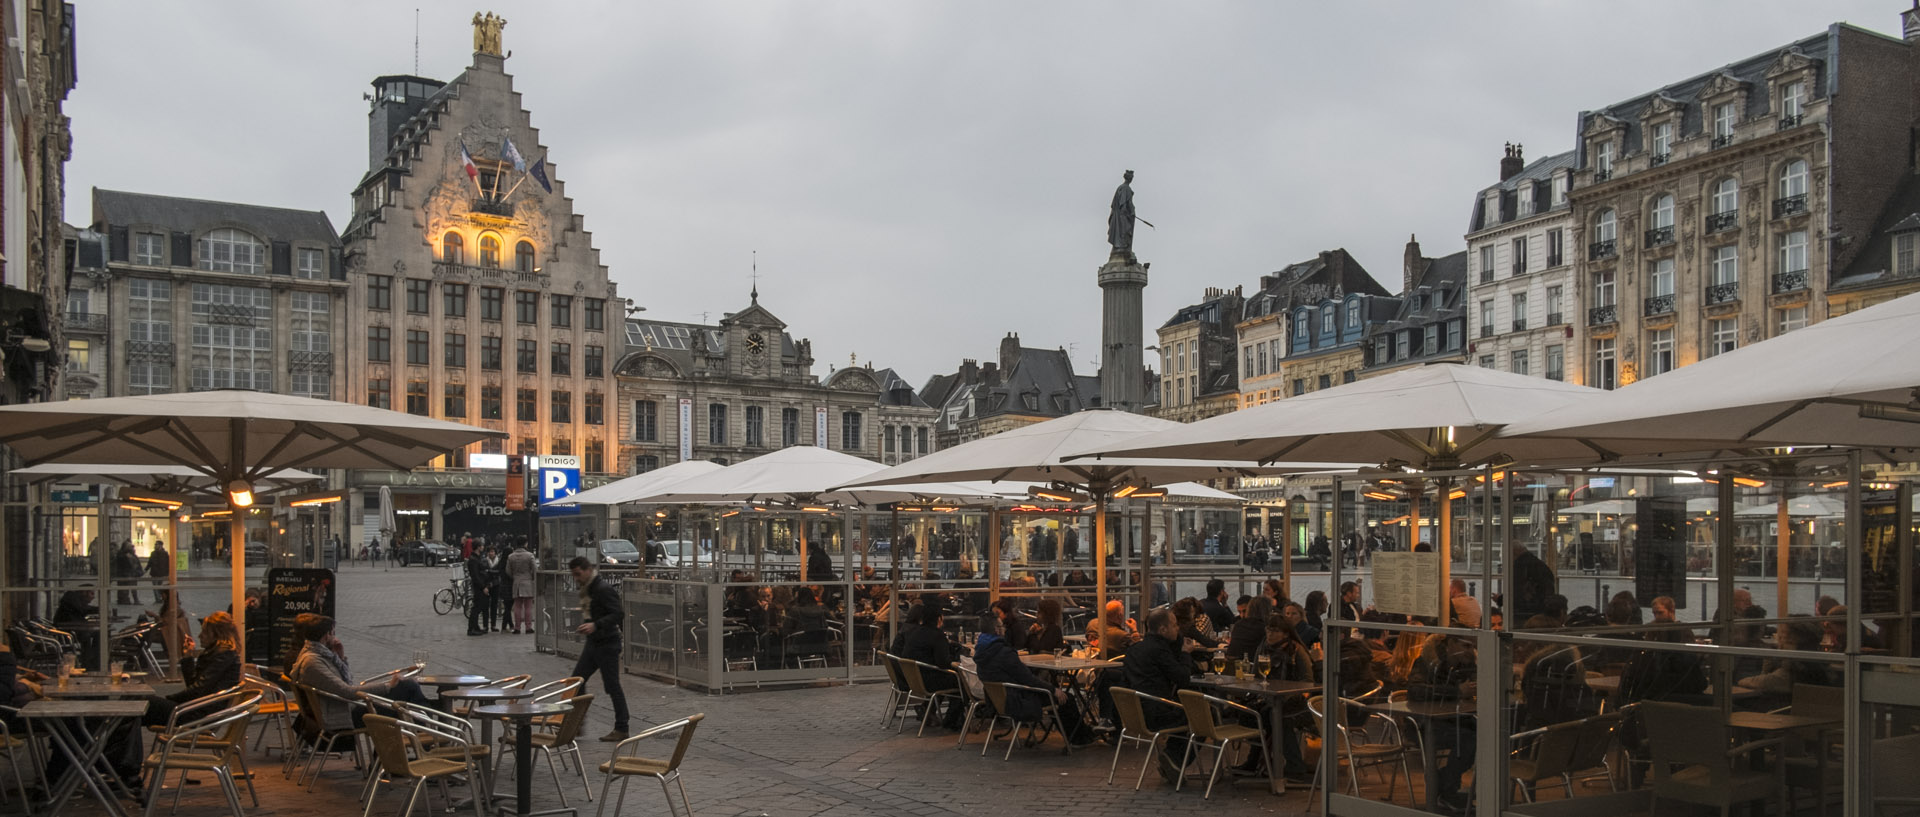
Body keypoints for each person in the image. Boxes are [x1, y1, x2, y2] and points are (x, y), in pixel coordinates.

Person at [287, 614, 430, 731]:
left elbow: (347, 680)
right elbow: (347, 691)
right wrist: (387, 686)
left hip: (343, 707)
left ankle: (428, 733)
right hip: (342, 715)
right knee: (407, 690)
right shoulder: (313, 662)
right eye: (333, 633)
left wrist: (341, 658)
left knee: (407, 694)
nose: (335, 637)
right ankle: (432, 736)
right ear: (326, 636)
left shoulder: (318, 655)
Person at [976, 613, 1086, 744]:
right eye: (1002, 626)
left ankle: (1081, 736)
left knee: (1056, 696)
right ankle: (1079, 739)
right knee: (1065, 698)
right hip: (1018, 700)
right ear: (997, 630)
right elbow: (1028, 679)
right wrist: (1053, 689)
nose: (1004, 628)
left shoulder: (981, 651)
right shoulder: (1004, 653)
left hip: (997, 701)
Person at [1121, 609, 1197, 783]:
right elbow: (1182, 678)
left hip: (1134, 715)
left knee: (1184, 711)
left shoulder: (1134, 650)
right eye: (1174, 625)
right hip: (1156, 714)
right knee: (1203, 716)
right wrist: (1186, 653)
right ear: (1163, 630)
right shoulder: (1159, 651)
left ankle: (1172, 759)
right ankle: (1174, 759)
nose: (1178, 628)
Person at [1408, 633, 1479, 813]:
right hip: (1424, 724)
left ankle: (1442, 785)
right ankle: (1446, 788)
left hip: (1454, 720)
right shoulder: (1426, 662)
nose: (1471, 652)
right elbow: (1416, 690)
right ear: (1451, 644)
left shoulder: (1465, 664)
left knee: (1483, 735)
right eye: (1466, 646)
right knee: (1469, 739)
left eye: (1472, 647)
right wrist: (1455, 692)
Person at [567, 557, 631, 741]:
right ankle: (576, 724)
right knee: (576, 681)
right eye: (574, 575)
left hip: (607, 644)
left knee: (612, 686)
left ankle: (622, 727)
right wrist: (589, 625)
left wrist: (596, 625)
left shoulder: (602, 589)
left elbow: (618, 613)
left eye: (578, 574)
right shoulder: (589, 589)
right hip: (594, 643)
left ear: (588, 570)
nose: (576, 579)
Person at [144, 611, 242, 726]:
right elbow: (195, 685)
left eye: (204, 632)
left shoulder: (223, 654)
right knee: (140, 710)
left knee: (144, 704)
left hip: (200, 713)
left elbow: (198, 689)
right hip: (199, 709)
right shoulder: (219, 653)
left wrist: (170, 698)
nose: (200, 636)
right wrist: (188, 657)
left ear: (216, 634)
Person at [900, 605, 960, 728]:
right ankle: (952, 719)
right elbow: (943, 663)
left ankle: (928, 710)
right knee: (961, 681)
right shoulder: (937, 636)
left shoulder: (914, 632)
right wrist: (955, 663)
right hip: (928, 680)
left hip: (915, 678)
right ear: (939, 619)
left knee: (947, 677)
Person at [1509, 543, 1555, 627]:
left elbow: (1517, 592)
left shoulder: (1519, 566)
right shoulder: (1540, 565)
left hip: (1523, 613)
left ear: (1514, 553)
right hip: (1541, 611)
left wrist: (1501, 599)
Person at [506, 540, 537, 635]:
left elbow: (508, 571)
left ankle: (517, 627)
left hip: (516, 582)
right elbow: (535, 569)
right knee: (528, 606)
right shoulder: (530, 555)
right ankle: (528, 627)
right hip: (527, 581)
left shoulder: (511, 556)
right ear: (525, 544)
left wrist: (515, 577)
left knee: (517, 606)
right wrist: (531, 577)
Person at [465, 547, 493, 636]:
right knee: (476, 608)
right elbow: (476, 576)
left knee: (479, 607)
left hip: (480, 585)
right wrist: (483, 586)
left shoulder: (477, 558)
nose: (483, 547)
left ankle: (475, 626)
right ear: (478, 547)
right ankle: (471, 628)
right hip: (478, 587)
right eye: (481, 546)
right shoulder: (473, 560)